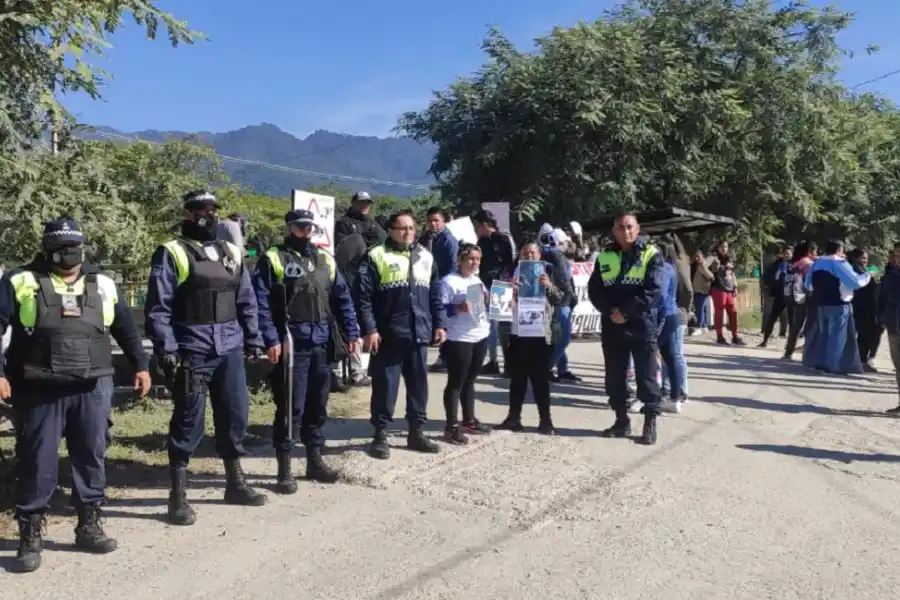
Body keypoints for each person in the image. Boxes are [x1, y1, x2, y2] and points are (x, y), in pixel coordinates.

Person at [2, 218, 151, 573]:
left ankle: (89, 525)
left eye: (74, 247)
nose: (68, 254)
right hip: (39, 387)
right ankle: (30, 534)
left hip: (93, 385)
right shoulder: (20, 280)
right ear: (46, 248)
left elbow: (126, 329)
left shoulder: (103, 283)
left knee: (91, 455)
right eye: (61, 247)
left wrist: (141, 366)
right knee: (37, 459)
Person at [145, 190, 268, 527]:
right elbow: (158, 307)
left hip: (230, 346)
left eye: (214, 209)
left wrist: (254, 339)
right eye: (202, 209)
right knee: (189, 421)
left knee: (235, 414)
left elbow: (246, 300)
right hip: (192, 348)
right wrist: (167, 348)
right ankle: (178, 496)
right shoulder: (172, 252)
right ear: (187, 213)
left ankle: (235, 483)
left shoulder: (231, 251)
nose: (209, 215)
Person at [252, 209, 361, 493]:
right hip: (292, 345)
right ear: (289, 228)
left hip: (322, 343)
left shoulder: (325, 258)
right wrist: (270, 339)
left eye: (309, 226)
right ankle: (284, 469)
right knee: (291, 408)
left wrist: (352, 332)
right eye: (300, 226)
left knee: (318, 405)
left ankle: (314, 460)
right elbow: (260, 304)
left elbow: (342, 298)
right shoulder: (273, 258)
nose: (305, 230)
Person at [354, 210, 447, 460]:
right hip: (388, 335)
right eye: (402, 228)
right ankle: (380, 435)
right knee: (386, 387)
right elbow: (362, 298)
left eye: (411, 228)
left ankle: (416, 432)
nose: (408, 232)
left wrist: (440, 324)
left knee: (418, 386)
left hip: (419, 334)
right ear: (391, 230)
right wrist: (370, 329)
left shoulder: (426, 256)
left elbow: (435, 294)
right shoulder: (375, 256)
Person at [588, 211, 665, 445]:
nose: (626, 231)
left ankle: (650, 423)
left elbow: (652, 290)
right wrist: (610, 311)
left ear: (637, 229)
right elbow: (595, 290)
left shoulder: (652, 254)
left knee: (647, 376)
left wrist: (626, 312)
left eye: (630, 227)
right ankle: (621, 420)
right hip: (613, 326)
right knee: (614, 377)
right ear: (614, 231)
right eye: (621, 227)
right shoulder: (604, 256)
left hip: (642, 325)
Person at [496, 242, 565, 434]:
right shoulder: (510, 272)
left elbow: (562, 298)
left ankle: (545, 420)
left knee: (540, 379)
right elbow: (497, 301)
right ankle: (513, 417)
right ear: (519, 255)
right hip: (516, 333)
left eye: (533, 253)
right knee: (517, 378)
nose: (529, 256)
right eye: (525, 253)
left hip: (540, 333)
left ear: (540, 255)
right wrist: (509, 290)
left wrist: (549, 286)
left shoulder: (549, 271)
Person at [439, 243, 492, 443]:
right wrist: (457, 308)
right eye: (470, 258)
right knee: (456, 382)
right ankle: (451, 426)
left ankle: (469, 419)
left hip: (480, 334)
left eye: (478, 259)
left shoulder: (477, 280)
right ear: (460, 260)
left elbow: (484, 305)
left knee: (470, 380)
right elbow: (438, 309)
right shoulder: (448, 282)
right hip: (458, 337)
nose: (474, 263)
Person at [803, 240, 870, 374]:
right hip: (838, 303)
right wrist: (866, 276)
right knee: (837, 335)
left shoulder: (817, 263)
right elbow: (854, 282)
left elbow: (807, 284)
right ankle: (833, 365)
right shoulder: (839, 263)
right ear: (839, 250)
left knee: (823, 334)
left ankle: (820, 363)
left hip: (821, 303)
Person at [472, 209, 516, 376]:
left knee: (503, 326)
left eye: (477, 226)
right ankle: (493, 361)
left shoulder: (503, 239)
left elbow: (511, 263)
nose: (476, 229)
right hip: (485, 286)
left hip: (501, 286)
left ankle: (509, 362)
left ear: (484, 225)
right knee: (489, 326)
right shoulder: (481, 242)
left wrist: (507, 285)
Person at [539, 226, 580, 383]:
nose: (566, 245)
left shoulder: (553, 255)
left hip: (558, 300)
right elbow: (564, 282)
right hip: (561, 301)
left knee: (558, 339)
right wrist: (571, 298)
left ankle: (561, 369)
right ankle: (546, 368)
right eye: (563, 242)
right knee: (563, 339)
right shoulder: (556, 255)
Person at [420, 207, 459, 372]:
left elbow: (452, 265)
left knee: (445, 320)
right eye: (430, 221)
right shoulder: (427, 238)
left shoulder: (449, 240)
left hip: (443, 284)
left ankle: (445, 357)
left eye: (436, 220)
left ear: (444, 221)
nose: (433, 224)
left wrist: (446, 285)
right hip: (428, 283)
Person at [657, 243, 687, 413]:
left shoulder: (662, 269)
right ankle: (675, 397)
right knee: (670, 356)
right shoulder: (671, 267)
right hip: (671, 314)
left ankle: (648, 396)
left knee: (648, 353)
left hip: (664, 315)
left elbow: (660, 295)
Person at [848, 248, 881, 373]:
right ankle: (860, 361)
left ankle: (860, 360)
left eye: (866, 258)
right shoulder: (857, 269)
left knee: (863, 335)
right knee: (865, 335)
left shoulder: (861, 269)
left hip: (862, 306)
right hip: (863, 307)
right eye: (863, 258)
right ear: (856, 258)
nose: (865, 261)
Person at [783, 241, 817, 360]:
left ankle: (788, 352)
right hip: (807, 296)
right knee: (811, 325)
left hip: (797, 296)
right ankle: (808, 353)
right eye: (815, 251)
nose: (816, 254)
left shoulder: (794, 263)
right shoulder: (808, 264)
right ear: (809, 252)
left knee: (796, 326)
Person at [707, 240, 746, 346]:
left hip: (729, 289)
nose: (724, 249)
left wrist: (735, 286)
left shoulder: (729, 259)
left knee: (733, 312)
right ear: (718, 248)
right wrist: (712, 273)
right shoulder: (714, 258)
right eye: (722, 247)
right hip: (718, 288)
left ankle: (735, 335)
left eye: (726, 247)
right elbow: (704, 266)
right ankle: (720, 336)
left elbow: (732, 274)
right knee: (719, 313)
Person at [877, 244, 900, 414]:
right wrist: (882, 317)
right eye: (897, 255)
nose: (897, 259)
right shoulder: (891, 276)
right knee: (898, 367)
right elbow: (882, 298)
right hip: (894, 326)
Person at [759, 245, 794, 347]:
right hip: (779, 294)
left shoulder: (794, 264)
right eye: (785, 253)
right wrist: (773, 279)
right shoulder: (777, 264)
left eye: (788, 253)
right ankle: (765, 340)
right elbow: (767, 275)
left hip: (791, 295)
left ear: (792, 254)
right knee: (772, 318)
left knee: (792, 320)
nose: (786, 255)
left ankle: (791, 344)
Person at [690, 250, 714, 335]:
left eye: (698, 256)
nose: (697, 258)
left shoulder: (702, 265)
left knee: (700, 310)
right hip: (701, 290)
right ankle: (704, 327)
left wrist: (710, 279)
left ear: (702, 256)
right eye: (696, 257)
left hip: (701, 290)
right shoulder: (701, 264)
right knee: (703, 309)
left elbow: (710, 276)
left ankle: (699, 327)